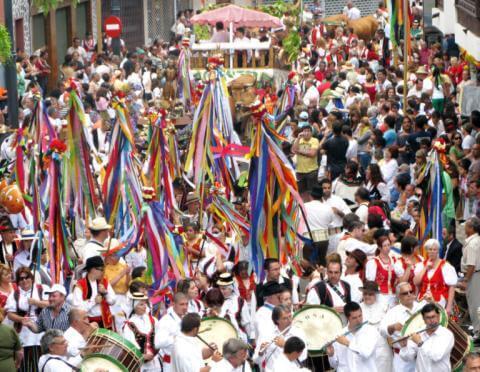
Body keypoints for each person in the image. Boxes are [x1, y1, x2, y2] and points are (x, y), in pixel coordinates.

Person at [6, 267, 48, 372]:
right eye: (21, 279)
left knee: (42, 361)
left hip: (42, 331)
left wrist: (36, 303)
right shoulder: (15, 294)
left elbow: (51, 304)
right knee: (26, 364)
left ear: (31, 278)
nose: (24, 281)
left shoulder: (42, 288)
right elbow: (10, 314)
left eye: (27, 277)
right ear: (18, 281)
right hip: (24, 334)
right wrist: (21, 319)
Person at [381, 282, 426, 372]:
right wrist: (393, 327)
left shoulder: (422, 308)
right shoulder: (393, 312)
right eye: (405, 293)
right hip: (401, 359)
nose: (409, 295)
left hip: (422, 356)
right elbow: (382, 330)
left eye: (411, 292)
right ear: (399, 296)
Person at [399, 303, 454, 372]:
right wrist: (404, 346)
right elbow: (407, 358)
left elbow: (436, 356)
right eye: (428, 318)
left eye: (433, 316)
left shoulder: (447, 335)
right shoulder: (418, 333)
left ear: (439, 316)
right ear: (423, 319)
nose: (432, 321)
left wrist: (420, 343)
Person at [326, 301, 378, 371]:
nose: (359, 320)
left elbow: (366, 353)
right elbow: (335, 365)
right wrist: (331, 355)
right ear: (347, 318)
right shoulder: (340, 334)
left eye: (360, 316)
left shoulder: (371, 331)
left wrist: (347, 343)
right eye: (354, 318)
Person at [253, 304, 307, 370]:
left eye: (290, 316)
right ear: (277, 320)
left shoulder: (298, 333)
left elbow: (303, 356)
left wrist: (286, 346)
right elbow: (256, 360)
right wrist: (261, 353)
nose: (289, 320)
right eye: (285, 318)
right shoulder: (266, 333)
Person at [413, 238, 457, 314]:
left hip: (439, 301)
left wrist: (449, 307)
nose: (432, 252)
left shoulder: (446, 266)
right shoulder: (421, 265)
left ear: (438, 251)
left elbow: (451, 287)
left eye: (434, 249)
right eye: (430, 249)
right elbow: (416, 282)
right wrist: (425, 268)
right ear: (426, 250)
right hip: (423, 300)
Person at [71, 255, 116, 329]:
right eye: (101, 269)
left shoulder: (104, 282)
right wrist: (93, 302)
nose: (103, 272)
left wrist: (105, 293)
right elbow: (78, 310)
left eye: (103, 269)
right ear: (92, 269)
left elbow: (113, 301)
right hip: (89, 323)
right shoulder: (80, 286)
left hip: (105, 321)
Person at [123, 292, 161, 371]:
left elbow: (160, 338)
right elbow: (129, 345)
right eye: (141, 304)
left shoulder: (153, 320)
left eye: (145, 304)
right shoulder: (129, 325)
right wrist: (142, 356)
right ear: (134, 307)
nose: (144, 307)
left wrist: (156, 352)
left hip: (154, 362)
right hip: (140, 364)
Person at [359, 281, 391, 372]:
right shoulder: (358, 308)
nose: (367, 296)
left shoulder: (384, 307)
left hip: (382, 347)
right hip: (364, 348)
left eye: (370, 294)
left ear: (376, 295)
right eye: (365, 294)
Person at [458, 217, 480, 342]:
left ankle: (478, 334)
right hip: (476, 274)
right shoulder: (476, 240)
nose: (464, 228)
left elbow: (471, 265)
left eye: (466, 225)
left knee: (475, 305)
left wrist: (465, 280)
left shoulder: (472, 243)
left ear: (471, 228)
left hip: (473, 275)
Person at [155, 292, 188, 372]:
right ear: (173, 304)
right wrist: (177, 338)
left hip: (186, 364)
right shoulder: (166, 321)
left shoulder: (187, 319)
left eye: (186, 304)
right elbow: (158, 343)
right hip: (171, 366)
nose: (185, 307)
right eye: (182, 304)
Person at [302, 184, 335, 266]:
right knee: (322, 264)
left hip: (309, 239)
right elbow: (331, 221)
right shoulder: (328, 208)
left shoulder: (304, 206)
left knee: (309, 265)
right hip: (324, 239)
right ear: (321, 197)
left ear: (310, 196)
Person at [217, 273, 253, 341]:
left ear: (231, 287)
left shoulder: (240, 301)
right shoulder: (217, 300)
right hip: (222, 339)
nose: (222, 291)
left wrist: (251, 339)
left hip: (239, 338)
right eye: (220, 289)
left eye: (224, 289)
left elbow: (246, 323)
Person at [365, 235, 397, 307]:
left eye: (389, 245)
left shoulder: (394, 260)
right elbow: (370, 283)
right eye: (385, 246)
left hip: (394, 296)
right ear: (379, 247)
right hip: (380, 296)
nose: (388, 248)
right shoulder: (373, 262)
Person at [292, 123, 320, 195]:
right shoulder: (298, 140)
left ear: (311, 132)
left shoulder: (315, 140)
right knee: (301, 193)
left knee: (312, 192)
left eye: (308, 131)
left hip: (311, 171)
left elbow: (312, 154)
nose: (306, 133)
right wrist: (298, 138)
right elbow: (293, 150)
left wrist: (299, 151)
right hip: (300, 171)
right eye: (305, 131)